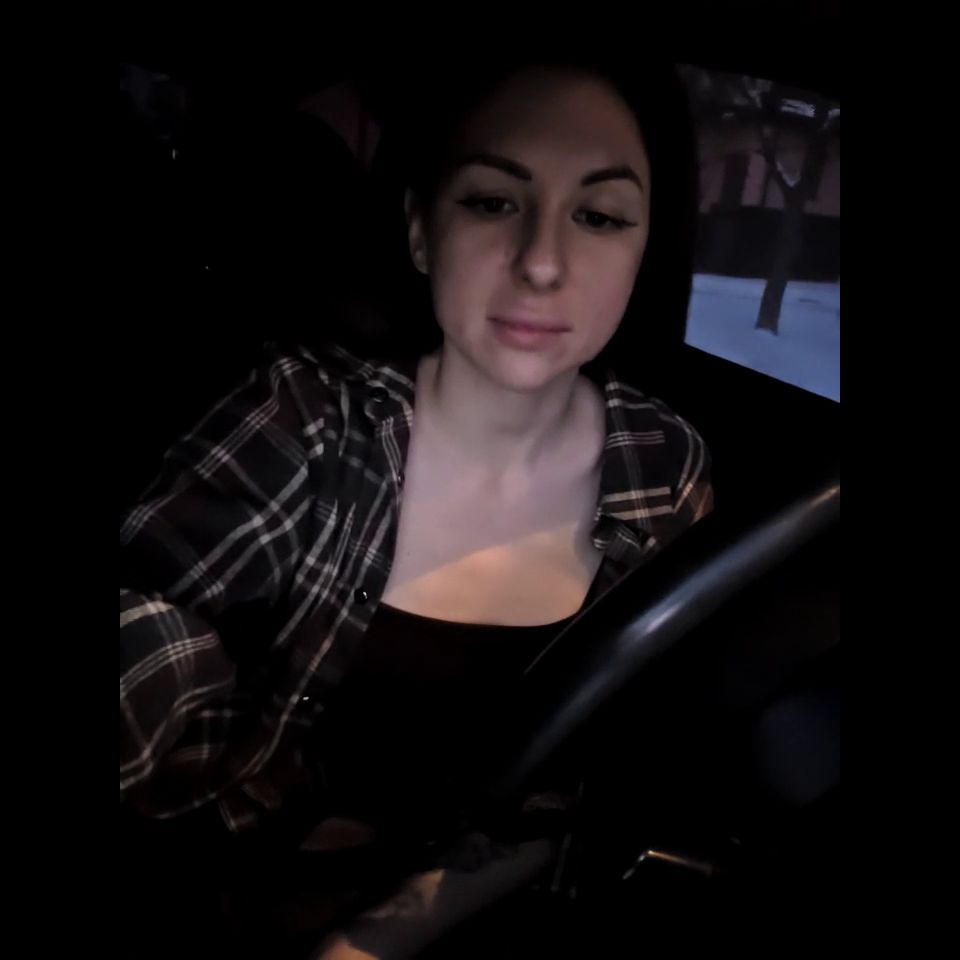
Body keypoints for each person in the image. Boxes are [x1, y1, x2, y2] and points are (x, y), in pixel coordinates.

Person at [120, 53, 714, 959]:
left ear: (644, 251)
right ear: (421, 231)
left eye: (598, 216)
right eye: (493, 201)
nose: (542, 263)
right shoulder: (305, 421)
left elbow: (598, 780)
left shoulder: (663, 466)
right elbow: (147, 630)